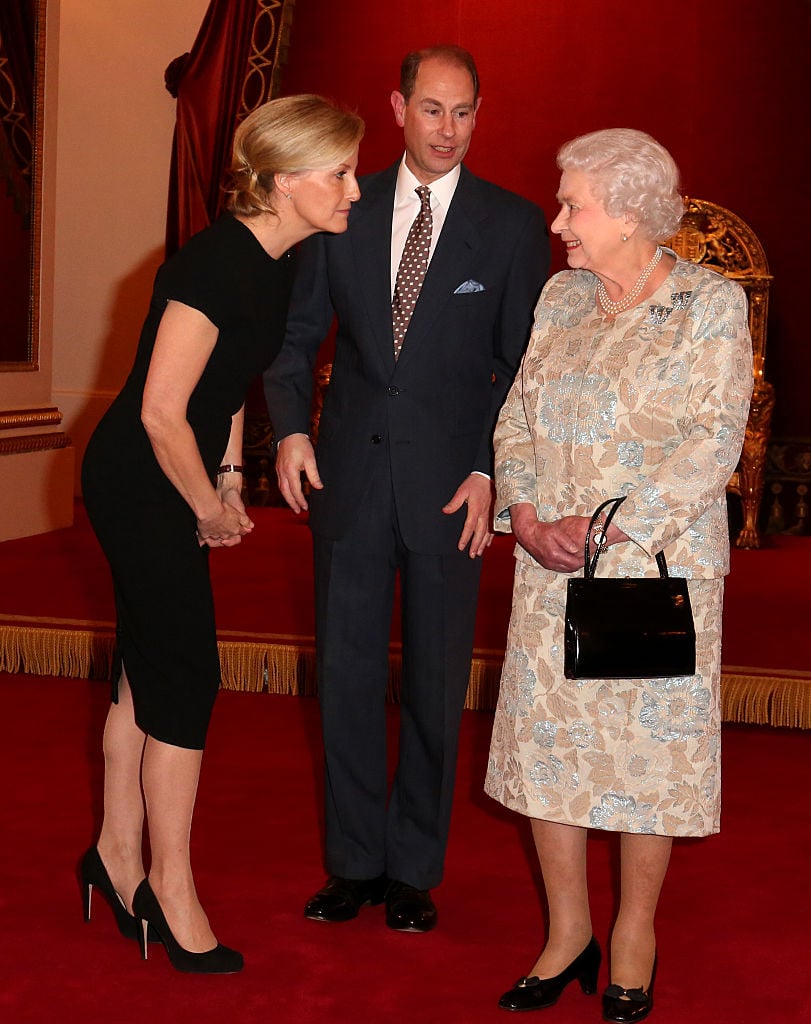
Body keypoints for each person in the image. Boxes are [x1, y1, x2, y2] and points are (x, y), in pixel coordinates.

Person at [264, 45, 549, 933]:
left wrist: (486, 470)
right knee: (344, 680)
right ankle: (352, 862)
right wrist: (292, 429)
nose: (448, 131)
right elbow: (293, 336)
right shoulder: (343, 206)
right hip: (345, 480)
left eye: (464, 112)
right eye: (431, 110)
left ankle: (413, 871)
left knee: (433, 684)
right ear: (396, 108)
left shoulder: (510, 225)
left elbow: (521, 369)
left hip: (450, 494)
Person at [79, 95, 364, 973]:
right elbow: (162, 413)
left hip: (177, 476)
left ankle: (114, 856)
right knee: (188, 680)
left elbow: (227, 383)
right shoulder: (214, 265)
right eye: (340, 173)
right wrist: (204, 502)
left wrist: (230, 478)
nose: (355, 189)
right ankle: (170, 887)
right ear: (283, 183)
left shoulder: (278, 257)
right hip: (140, 482)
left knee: (145, 668)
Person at [486, 127, 753, 1020]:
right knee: (548, 758)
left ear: (632, 211)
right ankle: (567, 934)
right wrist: (523, 517)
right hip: (547, 566)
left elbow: (709, 446)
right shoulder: (560, 299)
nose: (557, 221)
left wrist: (596, 534)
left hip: (647, 572)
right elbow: (515, 417)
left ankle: (633, 933)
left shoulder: (708, 305)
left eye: (574, 205)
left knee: (641, 761)